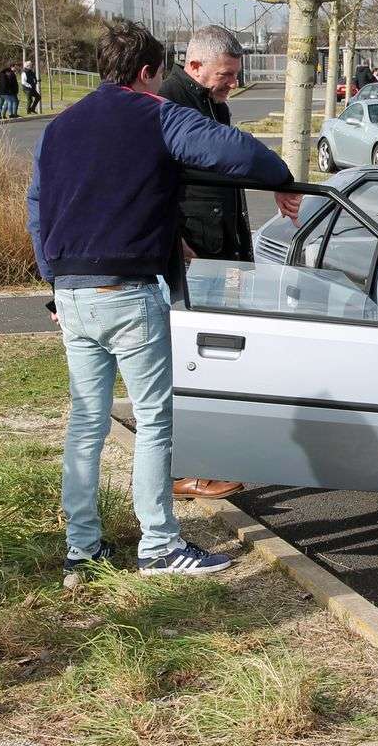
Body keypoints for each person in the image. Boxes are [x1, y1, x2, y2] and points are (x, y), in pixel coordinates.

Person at [25, 22, 301, 577]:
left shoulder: (60, 127)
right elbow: (234, 153)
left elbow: (38, 205)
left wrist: (52, 279)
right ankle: (159, 545)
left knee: (86, 422)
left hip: (73, 293)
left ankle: (82, 548)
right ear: (148, 72)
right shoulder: (157, 115)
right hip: (128, 292)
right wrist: (282, 174)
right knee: (153, 421)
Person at [157, 25, 256, 502]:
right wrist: (169, 238)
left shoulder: (214, 103)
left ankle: (207, 459)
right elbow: (154, 182)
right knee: (189, 364)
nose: (232, 84)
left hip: (222, 251)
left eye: (235, 75)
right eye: (225, 75)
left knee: (218, 360)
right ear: (194, 65)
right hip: (190, 254)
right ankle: (188, 470)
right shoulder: (168, 100)